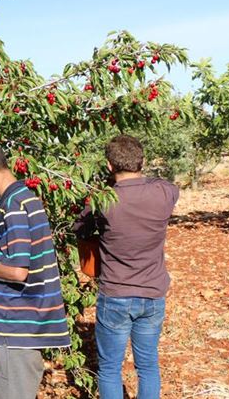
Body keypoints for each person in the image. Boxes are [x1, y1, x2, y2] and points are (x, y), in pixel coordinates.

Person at [0, 141, 71, 399]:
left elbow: (18, 270)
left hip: (15, 328)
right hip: (26, 326)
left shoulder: (13, 207)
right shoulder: (25, 198)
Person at [74, 135, 179, 399]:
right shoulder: (163, 192)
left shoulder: (102, 202)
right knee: (148, 365)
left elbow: (80, 229)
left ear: (109, 166)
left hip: (116, 294)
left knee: (110, 368)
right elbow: (166, 184)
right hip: (152, 293)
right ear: (142, 161)